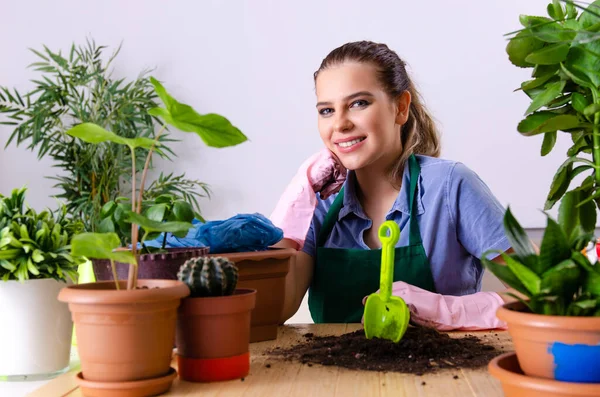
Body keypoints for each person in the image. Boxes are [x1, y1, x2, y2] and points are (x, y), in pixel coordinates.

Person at [270, 41, 514, 331]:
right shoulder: (319, 201)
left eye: (358, 103)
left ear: (400, 108)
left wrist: (448, 310)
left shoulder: (449, 187)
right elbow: (275, 310)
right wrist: (296, 199)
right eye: (326, 110)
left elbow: (542, 293)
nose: (340, 124)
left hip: (445, 371)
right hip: (334, 373)